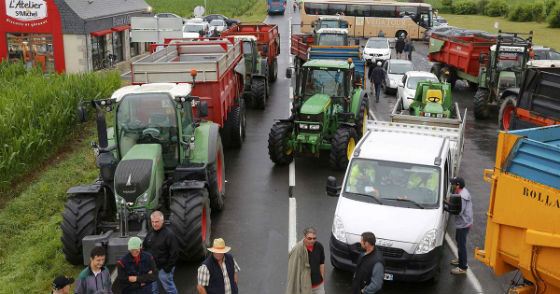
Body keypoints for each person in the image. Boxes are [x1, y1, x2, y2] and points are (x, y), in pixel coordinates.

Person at [143, 211, 179, 294]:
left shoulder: (169, 235)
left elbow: (175, 253)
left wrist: (167, 268)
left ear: (162, 221)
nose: (155, 224)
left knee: (169, 289)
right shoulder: (150, 233)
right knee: (153, 289)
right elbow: (145, 247)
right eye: (153, 222)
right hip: (153, 268)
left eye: (157, 222)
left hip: (164, 268)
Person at [286, 227, 325, 294]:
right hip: (305, 287)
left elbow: (321, 263)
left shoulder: (319, 246)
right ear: (304, 237)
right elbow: (294, 270)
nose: (312, 240)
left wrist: (322, 276)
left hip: (319, 285)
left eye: (314, 238)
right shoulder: (298, 250)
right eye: (309, 238)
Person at [449, 177, 473, 275]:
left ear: (458, 185)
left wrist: (448, 207)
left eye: (454, 184)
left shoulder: (462, 197)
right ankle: (460, 259)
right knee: (458, 241)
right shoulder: (462, 191)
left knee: (461, 245)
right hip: (465, 222)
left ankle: (463, 267)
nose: (452, 185)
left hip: (463, 224)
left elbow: (458, 212)